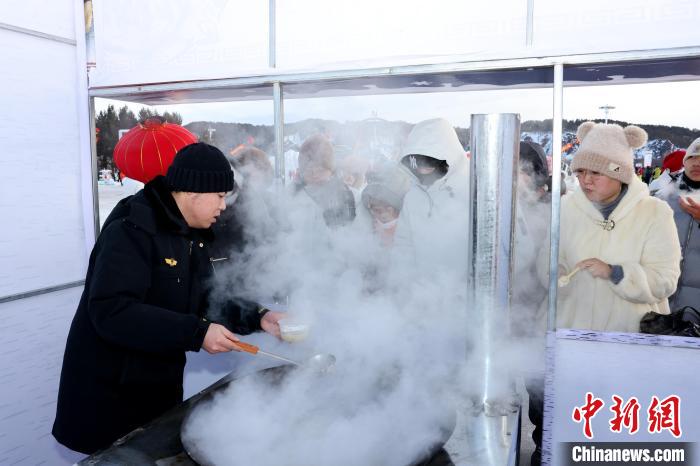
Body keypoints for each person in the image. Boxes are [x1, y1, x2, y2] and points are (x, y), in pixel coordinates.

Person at [52, 143, 284, 455]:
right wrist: (197, 333)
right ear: (193, 192)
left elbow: (208, 297)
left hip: (154, 390)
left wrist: (259, 316)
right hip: (111, 399)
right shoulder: (131, 229)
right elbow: (112, 311)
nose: (224, 206)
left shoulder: (190, 234)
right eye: (219, 196)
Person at [540, 122, 681, 333]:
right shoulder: (565, 208)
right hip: (570, 332)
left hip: (628, 336)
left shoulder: (655, 213)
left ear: (618, 173)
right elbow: (546, 257)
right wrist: (555, 273)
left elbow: (665, 280)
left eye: (596, 172)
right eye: (580, 172)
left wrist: (616, 273)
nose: (586, 180)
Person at [392, 118, 470, 278]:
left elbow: (510, 250)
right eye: (416, 162)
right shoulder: (413, 197)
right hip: (424, 289)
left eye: (429, 162)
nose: (422, 169)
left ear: (449, 156)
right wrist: (403, 284)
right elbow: (403, 245)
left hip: (466, 290)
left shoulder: (476, 191)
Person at [655, 138, 700, 309]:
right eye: (692, 157)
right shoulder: (661, 197)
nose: (697, 163)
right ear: (684, 161)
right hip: (661, 297)